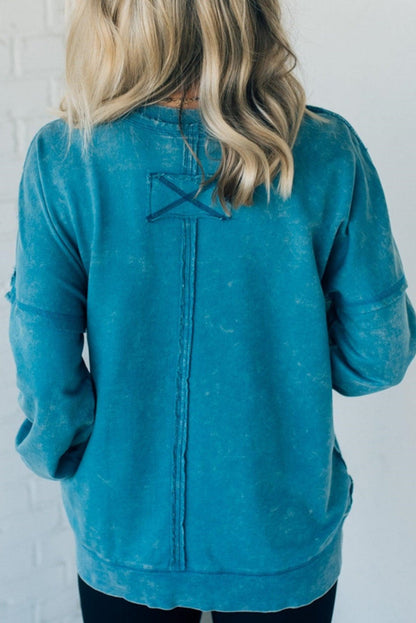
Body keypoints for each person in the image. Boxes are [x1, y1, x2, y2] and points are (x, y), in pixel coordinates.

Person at [4, 1, 416, 622]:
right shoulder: (329, 151)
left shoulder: (65, 157)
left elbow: (44, 369)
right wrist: (285, 370)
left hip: (125, 525)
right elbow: (379, 357)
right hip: (278, 526)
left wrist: (74, 458)